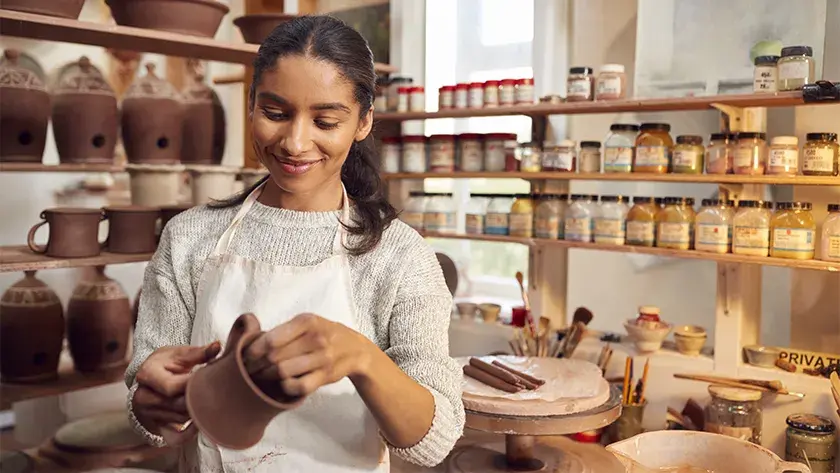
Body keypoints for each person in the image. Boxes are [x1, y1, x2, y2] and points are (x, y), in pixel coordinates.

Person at [125, 15, 464, 472]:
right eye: (275, 114)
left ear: (363, 122)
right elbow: (145, 403)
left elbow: (434, 439)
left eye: (325, 120)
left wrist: (361, 357)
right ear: (250, 106)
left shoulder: (400, 258)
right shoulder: (189, 237)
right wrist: (152, 403)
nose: (295, 142)